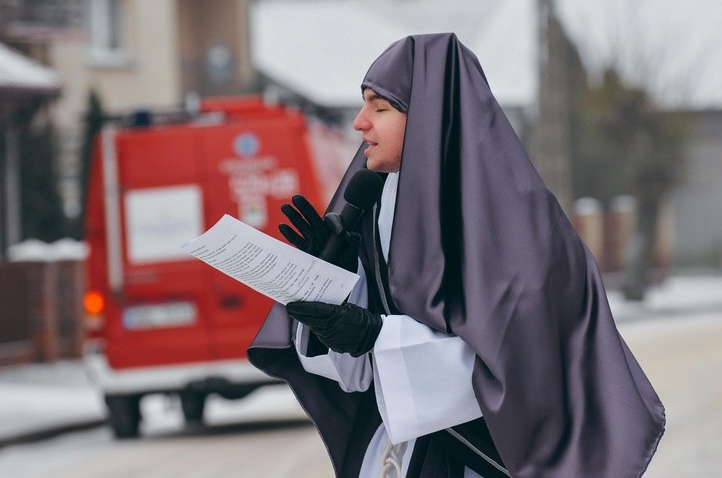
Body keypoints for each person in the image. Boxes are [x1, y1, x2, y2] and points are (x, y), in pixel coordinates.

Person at [248, 33, 665, 478]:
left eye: (379, 107)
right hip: (411, 452)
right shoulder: (376, 205)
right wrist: (336, 281)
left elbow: (525, 364)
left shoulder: (518, 221)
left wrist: (377, 337)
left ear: (431, 118)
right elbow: (363, 373)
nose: (359, 123)